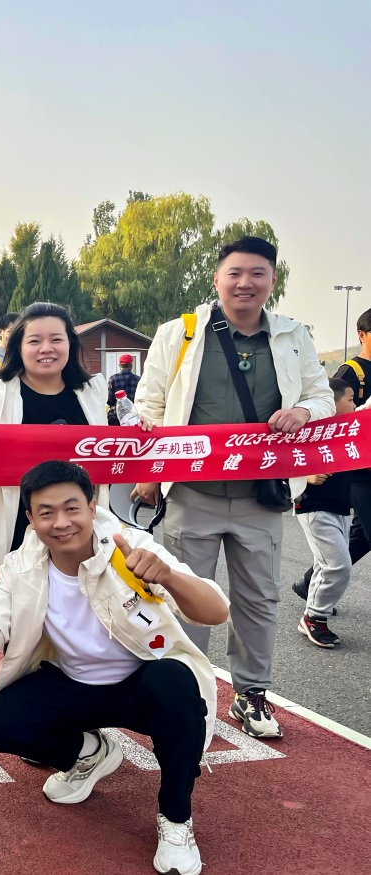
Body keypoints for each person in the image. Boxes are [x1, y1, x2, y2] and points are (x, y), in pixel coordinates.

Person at [0, 461, 228, 875]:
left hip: (142, 684)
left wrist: (170, 577)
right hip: (73, 684)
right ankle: (91, 752)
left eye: (72, 508)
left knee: (176, 681)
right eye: (46, 512)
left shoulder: (129, 547)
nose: (61, 522)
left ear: (92, 506)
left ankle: (176, 819)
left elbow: (215, 612)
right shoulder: (20, 568)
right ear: (30, 518)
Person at [133, 235, 333, 739]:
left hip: (260, 496)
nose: (245, 283)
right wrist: (151, 473)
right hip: (191, 493)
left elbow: (322, 397)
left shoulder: (292, 336)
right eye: (235, 273)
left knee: (259, 601)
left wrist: (303, 410)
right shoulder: (180, 333)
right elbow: (149, 406)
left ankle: (251, 694)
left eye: (257, 273)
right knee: (184, 597)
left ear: (272, 280)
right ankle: (186, 693)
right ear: (217, 278)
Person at [0, 302, 108, 566]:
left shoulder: (91, 392)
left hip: (78, 525)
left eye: (56, 339)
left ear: (69, 344)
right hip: (18, 524)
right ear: (19, 347)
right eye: (35, 341)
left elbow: (110, 451)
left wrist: (142, 429)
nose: (46, 348)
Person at [294, 306, 371, 600]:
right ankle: (320, 587)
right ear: (362, 335)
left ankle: (314, 582)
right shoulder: (351, 371)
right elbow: (330, 414)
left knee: (361, 535)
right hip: (357, 470)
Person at [292, 378, 357, 647]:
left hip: (341, 507)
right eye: (350, 399)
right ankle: (314, 617)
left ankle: (315, 609)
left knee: (325, 564)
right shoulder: (309, 430)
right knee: (338, 565)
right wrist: (305, 476)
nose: (355, 404)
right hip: (314, 506)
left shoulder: (349, 429)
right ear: (332, 402)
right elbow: (283, 456)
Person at [106, 354, 141, 425]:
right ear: (131, 365)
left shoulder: (113, 379)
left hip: (116, 416)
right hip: (133, 416)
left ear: (119, 365)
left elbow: (109, 400)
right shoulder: (138, 379)